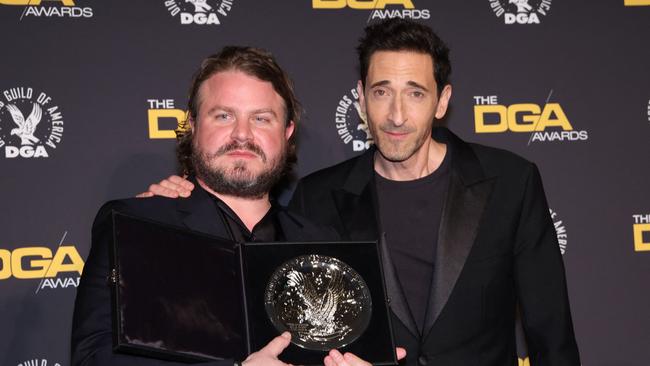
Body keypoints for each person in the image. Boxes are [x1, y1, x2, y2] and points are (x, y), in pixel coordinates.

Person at [145, 19, 581, 366]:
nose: (395, 114)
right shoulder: (318, 196)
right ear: (360, 98)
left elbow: (551, 334)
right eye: (380, 92)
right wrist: (189, 201)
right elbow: (271, 301)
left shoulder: (510, 181)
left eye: (415, 93)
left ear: (442, 100)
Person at [71, 46, 342, 366]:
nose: (242, 134)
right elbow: (94, 359)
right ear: (193, 126)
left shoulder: (323, 245)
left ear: (287, 133)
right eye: (224, 115)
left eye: (261, 118)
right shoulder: (138, 224)